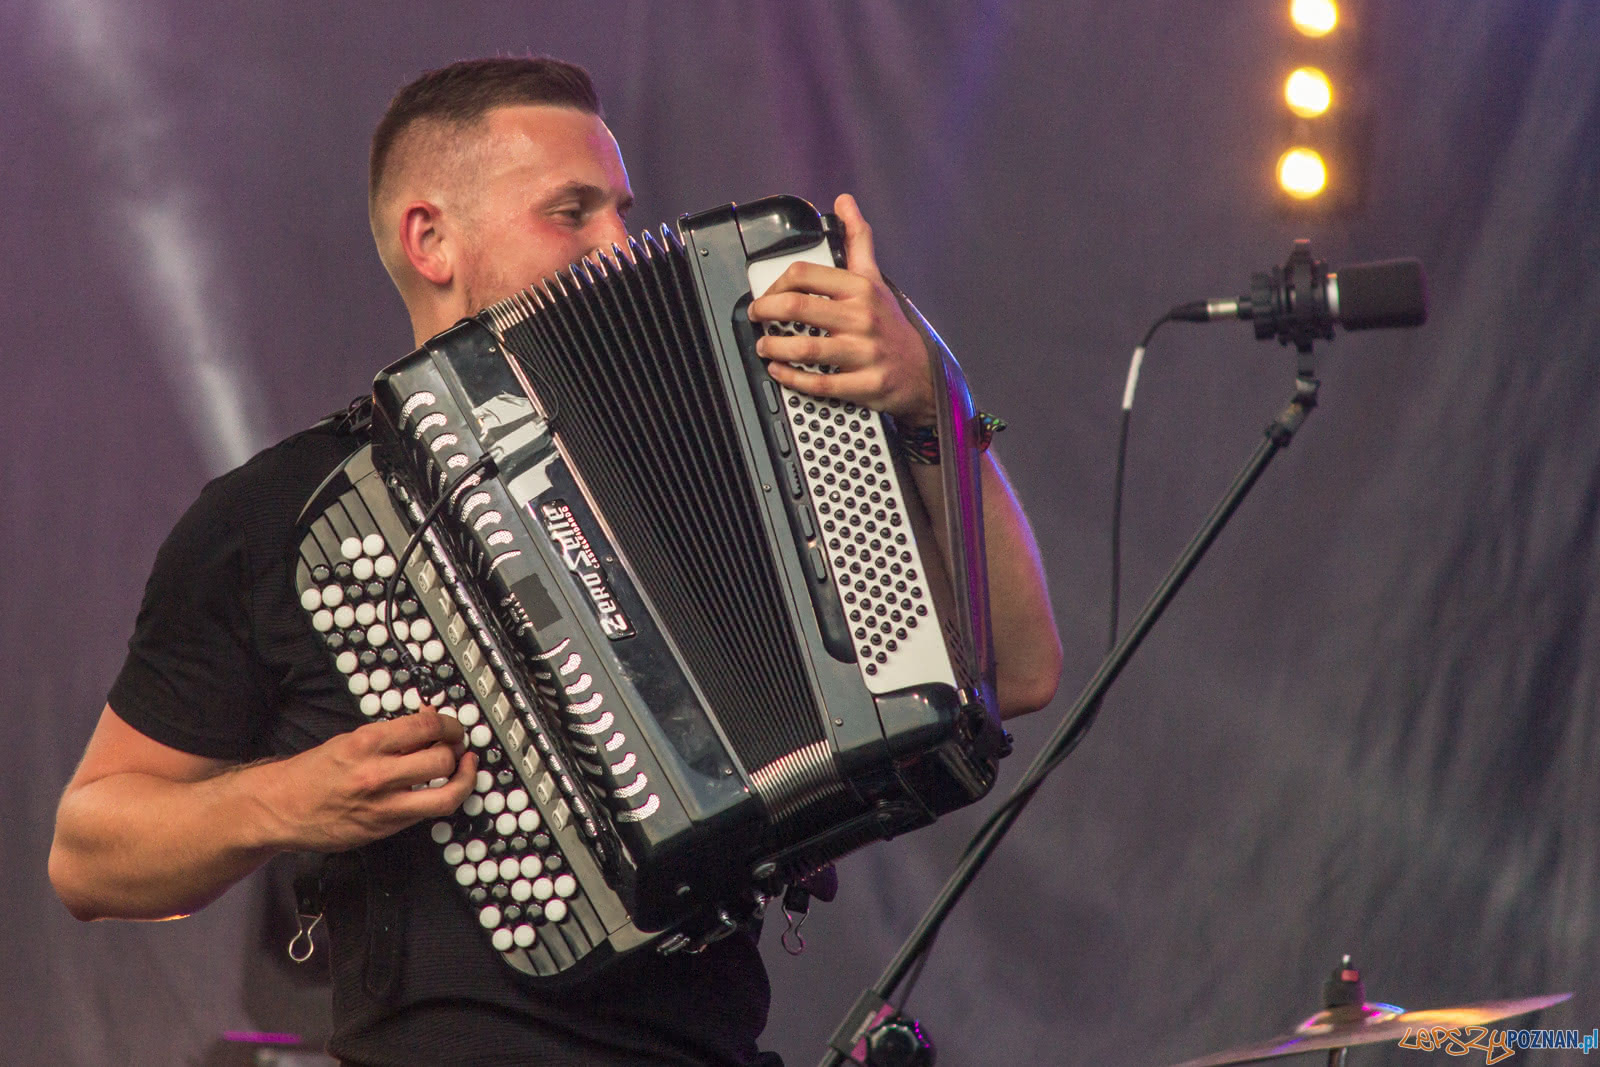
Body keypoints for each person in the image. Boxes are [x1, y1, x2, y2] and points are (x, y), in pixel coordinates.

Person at [49, 57, 1063, 1066]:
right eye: (572, 210)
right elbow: (90, 850)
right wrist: (290, 798)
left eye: (621, 207)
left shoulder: (739, 454)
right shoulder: (277, 515)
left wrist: (936, 394)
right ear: (431, 237)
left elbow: (1015, 670)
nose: (620, 241)